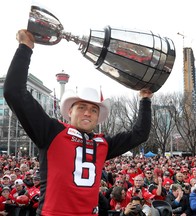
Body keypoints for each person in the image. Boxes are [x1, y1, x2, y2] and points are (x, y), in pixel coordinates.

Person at [4, 29, 153, 216]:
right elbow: (14, 92)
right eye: (81, 107)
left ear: (98, 117)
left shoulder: (102, 144)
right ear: (70, 111)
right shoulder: (52, 132)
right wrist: (25, 48)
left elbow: (140, 133)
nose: (87, 113)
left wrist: (145, 100)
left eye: (93, 109)